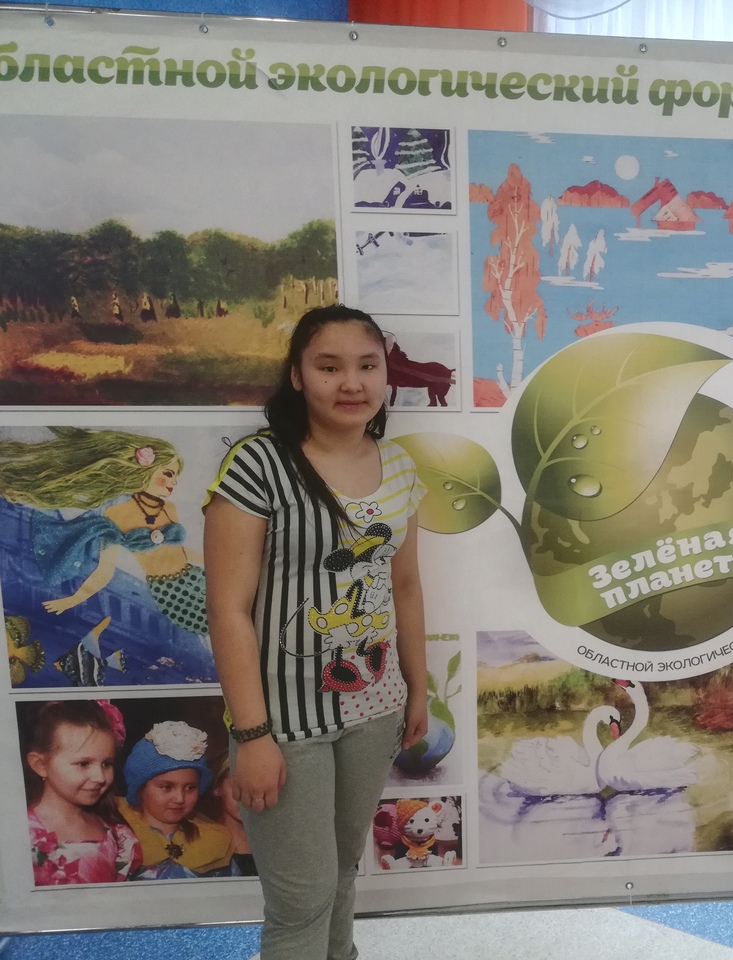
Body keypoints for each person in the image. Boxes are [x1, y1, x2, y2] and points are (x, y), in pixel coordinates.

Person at [204, 304, 428, 960]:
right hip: (283, 722)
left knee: (342, 873)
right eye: (329, 367)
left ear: (386, 376)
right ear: (298, 377)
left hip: (374, 708)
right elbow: (228, 609)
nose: (351, 383)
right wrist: (252, 736)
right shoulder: (258, 464)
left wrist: (417, 689)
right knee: (300, 900)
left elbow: (406, 588)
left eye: (367, 366)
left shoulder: (399, 467)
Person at [0, 428, 207, 638]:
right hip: (170, 595)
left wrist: (216, 561)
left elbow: (182, 552)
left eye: (176, 476)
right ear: (146, 469)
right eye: (168, 473)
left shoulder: (169, 508)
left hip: (196, 577)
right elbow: (105, 570)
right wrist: (72, 600)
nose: (174, 482)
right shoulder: (114, 512)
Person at [24, 699, 141, 886]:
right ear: (41, 765)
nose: (100, 777)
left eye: (107, 764)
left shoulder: (116, 835)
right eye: (83, 763)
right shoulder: (20, 836)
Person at [117, 719, 236, 879]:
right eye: (167, 787)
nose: (179, 798)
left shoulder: (214, 841)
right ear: (140, 788)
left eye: (190, 787)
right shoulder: (119, 838)